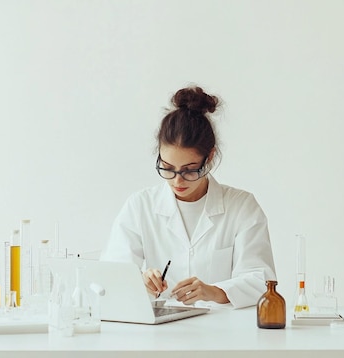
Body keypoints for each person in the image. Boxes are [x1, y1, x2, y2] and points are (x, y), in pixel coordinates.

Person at [100, 86, 276, 309]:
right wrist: (140, 281)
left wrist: (214, 291)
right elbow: (110, 275)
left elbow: (261, 281)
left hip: (223, 333)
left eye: (189, 170)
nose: (177, 181)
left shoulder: (242, 206)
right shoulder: (140, 206)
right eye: (168, 168)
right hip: (160, 333)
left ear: (209, 157)